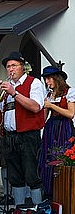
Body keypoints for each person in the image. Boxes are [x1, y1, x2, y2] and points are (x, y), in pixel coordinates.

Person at [0, 51, 45, 206]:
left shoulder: (34, 82)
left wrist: (14, 92)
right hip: (10, 136)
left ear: (22, 67)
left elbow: (36, 106)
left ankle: (36, 213)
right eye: (8, 66)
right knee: (15, 177)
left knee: (32, 175)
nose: (11, 69)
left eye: (14, 66)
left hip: (28, 135)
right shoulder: (8, 87)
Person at [38, 66, 75, 198]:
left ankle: (64, 190)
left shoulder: (69, 92)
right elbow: (43, 117)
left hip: (64, 128)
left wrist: (51, 105)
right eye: (45, 79)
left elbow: (70, 114)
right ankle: (49, 191)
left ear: (57, 78)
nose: (47, 82)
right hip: (51, 128)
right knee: (49, 157)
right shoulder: (48, 94)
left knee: (62, 157)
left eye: (49, 78)